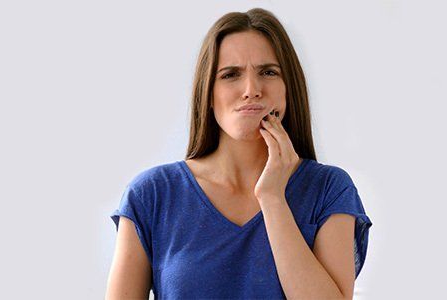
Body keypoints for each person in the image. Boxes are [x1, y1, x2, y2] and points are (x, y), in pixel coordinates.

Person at [106, 8, 372, 299]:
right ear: (207, 93)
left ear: (289, 88)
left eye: (268, 72)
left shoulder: (329, 189)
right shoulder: (152, 194)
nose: (251, 90)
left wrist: (273, 198)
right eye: (230, 74)